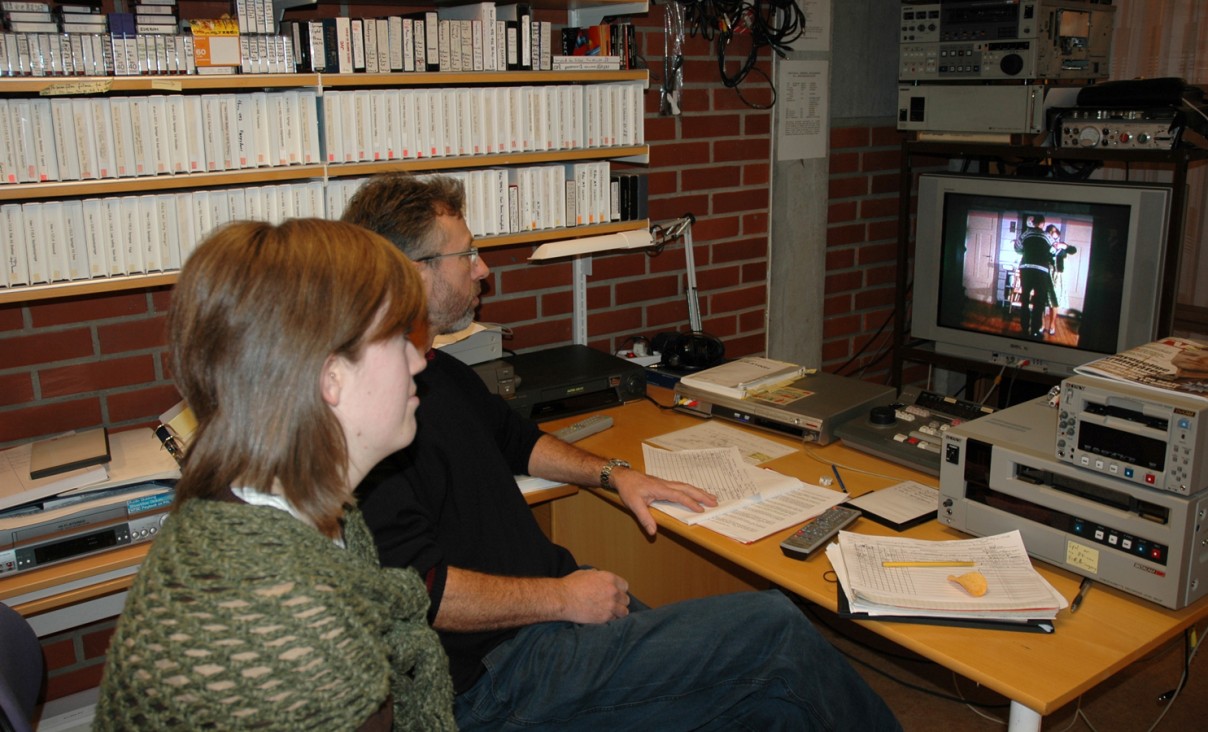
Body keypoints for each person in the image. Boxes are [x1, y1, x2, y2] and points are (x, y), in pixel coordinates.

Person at [343, 173, 901, 731]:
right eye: (468, 255)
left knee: (763, 701)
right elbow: (420, 591)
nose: (484, 269)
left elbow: (519, 443)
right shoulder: (372, 421)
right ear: (414, 274)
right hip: (500, 676)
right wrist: (561, 599)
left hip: (552, 621)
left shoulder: (445, 373)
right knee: (773, 629)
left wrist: (615, 474)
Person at [94, 219, 455, 731]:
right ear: (331, 377)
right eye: (398, 338)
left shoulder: (296, 514)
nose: (419, 360)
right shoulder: (284, 618)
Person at [1015, 214, 1054, 339]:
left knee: (1025, 299)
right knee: (1039, 301)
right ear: (1042, 223)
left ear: (1033, 222)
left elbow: (1017, 248)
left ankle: (1025, 328)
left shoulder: (1025, 234)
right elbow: (1053, 252)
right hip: (1041, 271)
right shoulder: (1048, 236)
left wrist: (1027, 251)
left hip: (1026, 268)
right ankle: (1035, 331)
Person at [1042, 224, 1078, 337]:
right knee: (1042, 301)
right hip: (1046, 274)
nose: (1053, 234)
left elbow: (1073, 250)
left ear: (1058, 233)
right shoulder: (1045, 245)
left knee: (1055, 302)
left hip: (1058, 277)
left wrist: (1064, 246)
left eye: (1054, 232)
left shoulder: (1063, 245)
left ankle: (1052, 325)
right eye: (1050, 232)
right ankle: (1041, 325)